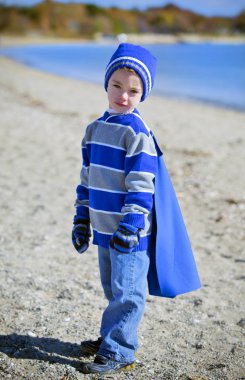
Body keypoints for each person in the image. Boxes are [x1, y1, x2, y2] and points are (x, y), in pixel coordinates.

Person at [72, 43, 201, 374]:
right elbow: (87, 179)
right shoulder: (94, 130)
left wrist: (131, 226)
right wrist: (81, 219)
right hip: (103, 227)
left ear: (143, 94)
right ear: (106, 84)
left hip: (130, 232)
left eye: (133, 90)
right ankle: (110, 337)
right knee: (112, 289)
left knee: (129, 293)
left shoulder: (137, 134)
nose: (123, 95)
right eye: (117, 86)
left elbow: (143, 185)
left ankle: (119, 350)